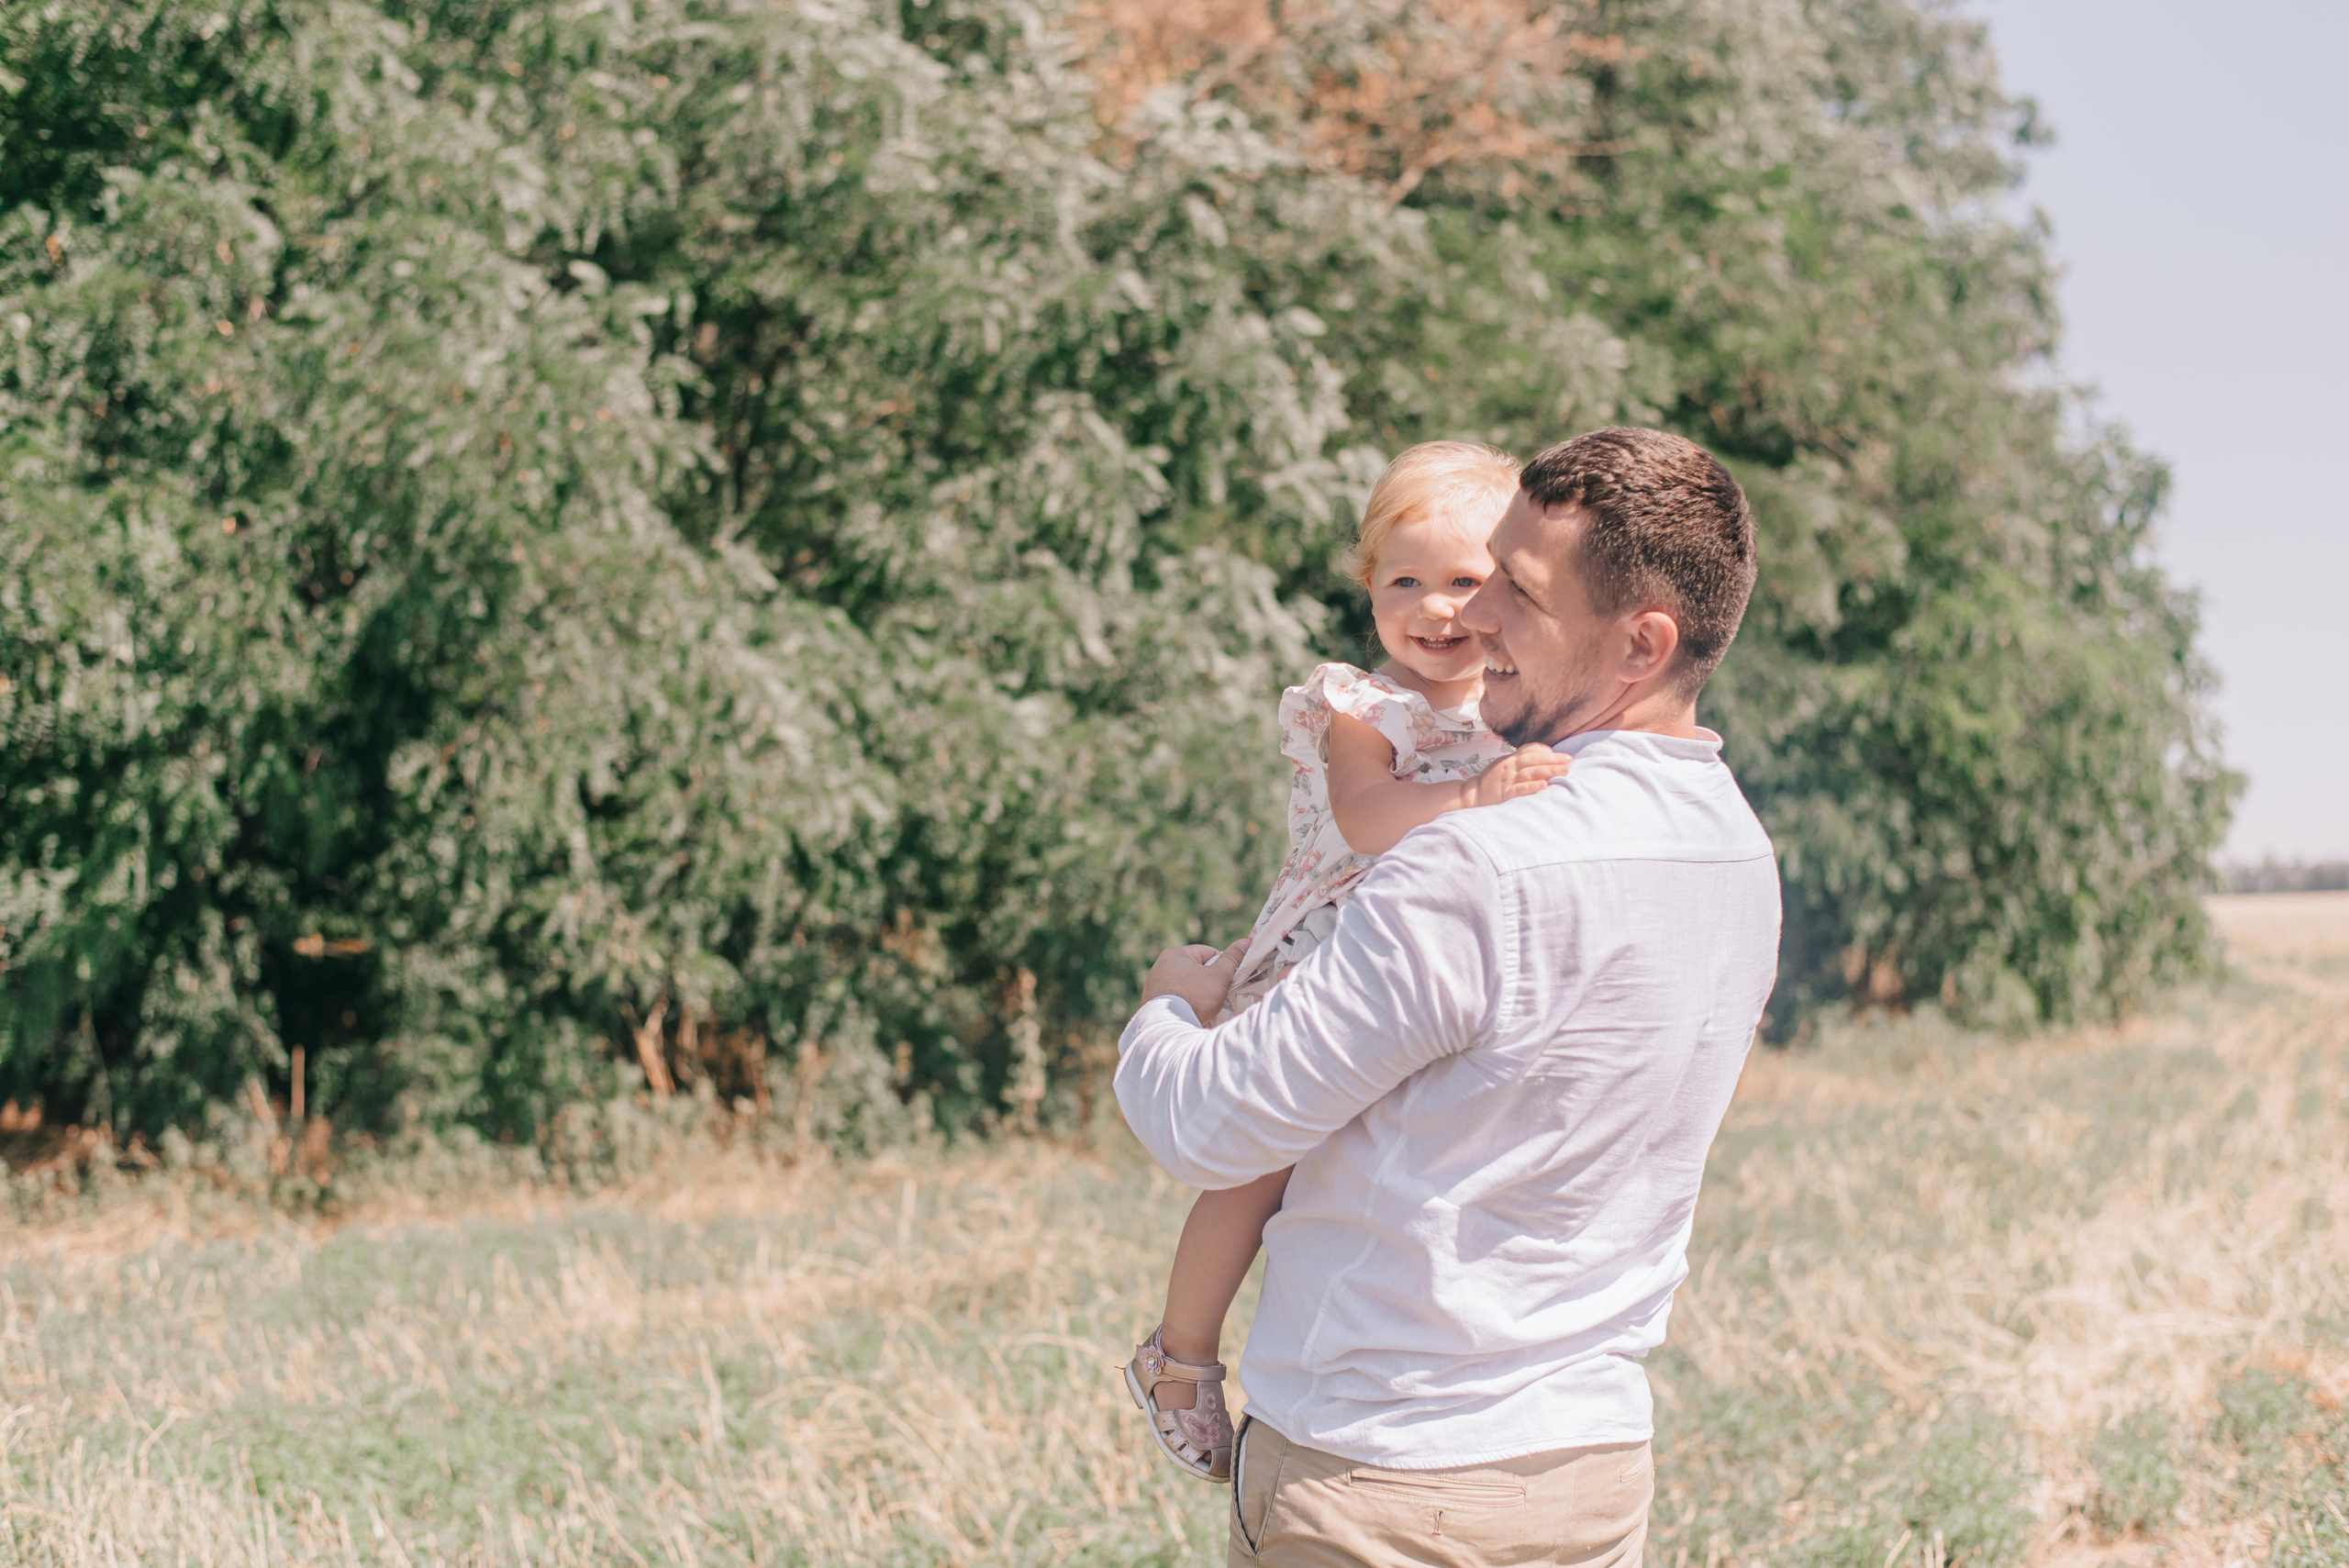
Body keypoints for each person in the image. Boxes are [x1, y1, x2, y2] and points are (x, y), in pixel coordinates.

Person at [1117, 428, 1781, 1567]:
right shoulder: (1734, 847)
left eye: (1517, 591)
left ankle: (1176, 1353)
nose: (1478, 619)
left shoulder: (1476, 860)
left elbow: (1212, 1125)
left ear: (1641, 643)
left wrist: (1164, 1009)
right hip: (1590, 1469)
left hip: (1379, 1475)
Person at [1122, 440, 1574, 1484]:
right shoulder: (1362, 707)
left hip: (1432, 975)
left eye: (1464, 581)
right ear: (1368, 586)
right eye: (1402, 581)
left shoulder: (1520, 706)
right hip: (1320, 953)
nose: (1435, 607)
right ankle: (1179, 1355)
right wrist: (1474, 794)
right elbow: (1367, 818)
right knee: (1259, 1169)